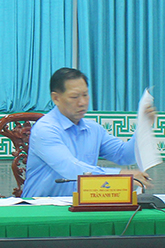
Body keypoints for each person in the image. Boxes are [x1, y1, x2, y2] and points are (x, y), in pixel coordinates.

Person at [21, 67, 154, 197]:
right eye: (74, 97)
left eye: (85, 95)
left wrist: (143, 127)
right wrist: (120, 175)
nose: (83, 102)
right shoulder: (45, 129)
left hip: (81, 206)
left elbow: (125, 156)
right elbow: (70, 169)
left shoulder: (93, 129)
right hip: (41, 208)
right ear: (56, 98)